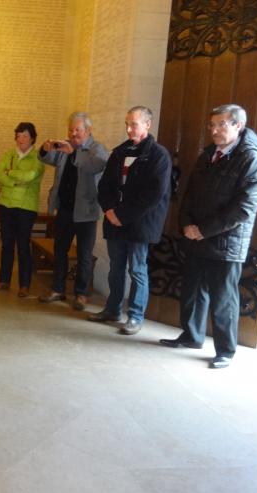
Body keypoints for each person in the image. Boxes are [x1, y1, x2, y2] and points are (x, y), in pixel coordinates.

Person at [160, 104, 257, 369]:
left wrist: (203, 230)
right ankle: (192, 336)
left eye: (221, 124)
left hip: (226, 242)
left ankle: (225, 351)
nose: (214, 130)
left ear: (237, 126)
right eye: (212, 125)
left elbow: (243, 209)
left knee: (223, 299)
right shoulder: (208, 154)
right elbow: (189, 195)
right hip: (196, 236)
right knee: (193, 292)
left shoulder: (252, 160)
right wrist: (186, 224)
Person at [89, 106, 171, 334]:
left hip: (139, 223)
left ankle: (135, 315)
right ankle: (112, 309)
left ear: (147, 124)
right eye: (127, 123)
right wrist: (109, 211)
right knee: (116, 268)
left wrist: (122, 215)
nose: (128, 129)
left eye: (133, 124)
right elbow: (105, 186)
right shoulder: (119, 152)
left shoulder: (158, 155)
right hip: (114, 219)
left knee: (137, 269)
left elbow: (153, 194)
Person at [37, 112, 109, 310]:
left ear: (88, 130)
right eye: (71, 129)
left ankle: (81, 294)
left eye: (77, 130)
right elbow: (49, 159)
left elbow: (97, 166)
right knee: (60, 251)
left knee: (84, 255)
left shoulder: (97, 149)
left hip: (86, 212)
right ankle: (58, 289)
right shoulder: (66, 146)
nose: (73, 133)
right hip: (65, 210)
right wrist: (45, 150)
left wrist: (74, 153)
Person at [0, 123, 45, 298]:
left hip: (26, 207)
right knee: (6, 245)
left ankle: (24, 285)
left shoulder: (38, 157)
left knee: (23, 246)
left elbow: (30, 176)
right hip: (6, 205)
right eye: (19, 136)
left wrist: (9, 172)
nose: (21, 139)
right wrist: (14, 182)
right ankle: (3, 280)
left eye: (25, 136)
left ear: (32, 138)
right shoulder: (10, 154)